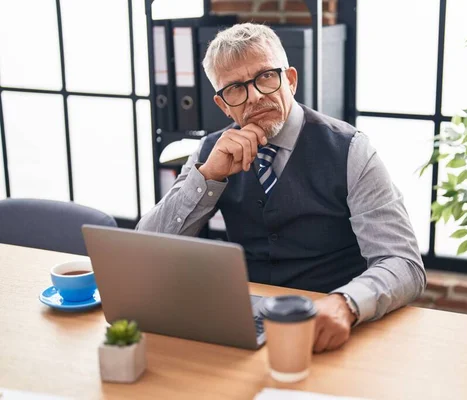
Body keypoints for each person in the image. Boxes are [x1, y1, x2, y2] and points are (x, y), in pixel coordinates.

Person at [137, 23, 425, 353]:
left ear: (290, 79)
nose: (256, 95)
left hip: (333, 325)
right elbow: (145, 249)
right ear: (223, 105)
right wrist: (207, 178)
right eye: (235, 88)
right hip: (247, 327)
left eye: (265, 77)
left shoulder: (351, 150)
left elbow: (404, 263)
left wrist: (347, 303)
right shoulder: (210, 152)